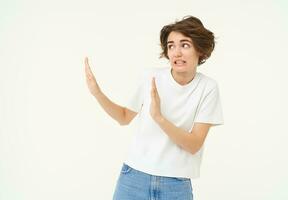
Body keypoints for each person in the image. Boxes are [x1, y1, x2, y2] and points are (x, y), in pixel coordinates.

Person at [84, 15, 224, 200]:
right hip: (134, 177)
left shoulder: (208, 87)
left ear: (201, 50)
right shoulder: (150, 77)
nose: (176, 52)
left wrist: (159, 118)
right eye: (171, 46)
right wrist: (97, 93)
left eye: (185, 45)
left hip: (175, 184)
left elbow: (194, 144)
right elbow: (124, 117)